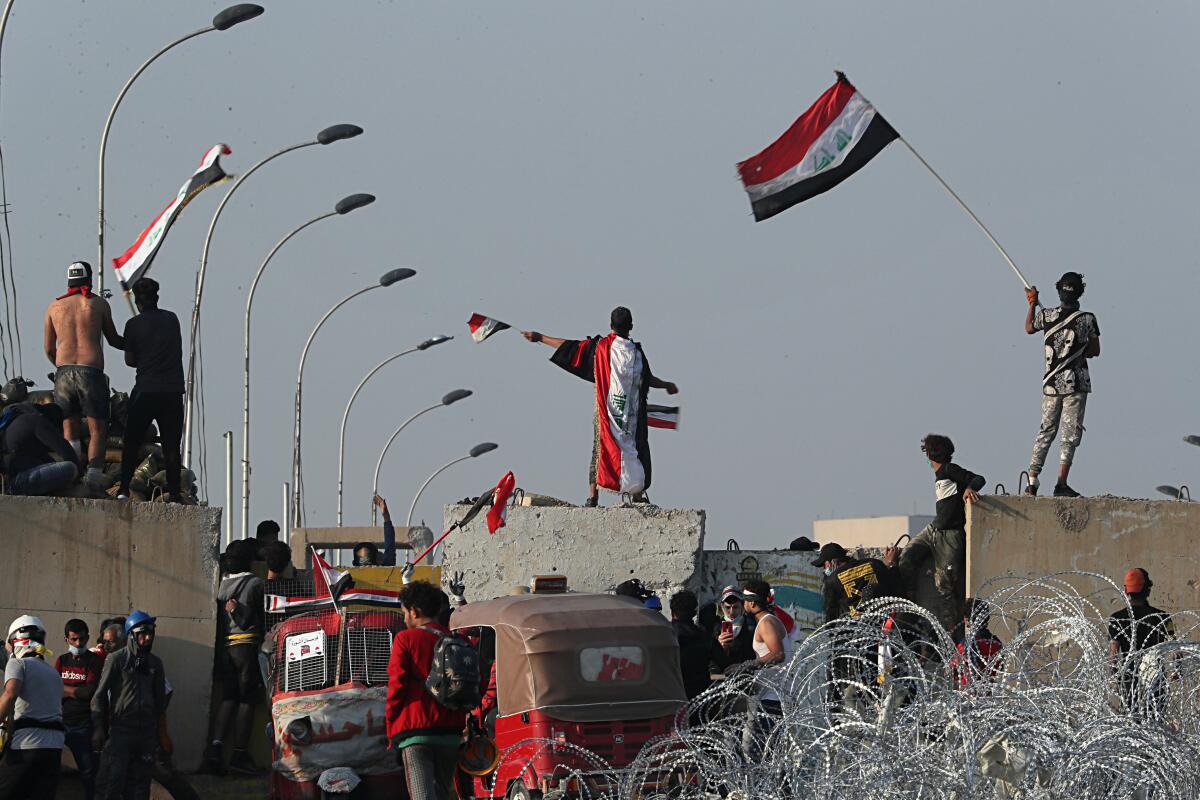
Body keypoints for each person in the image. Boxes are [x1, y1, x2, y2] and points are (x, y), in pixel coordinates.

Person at [522, 306, 678, 506]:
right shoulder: (637, 354)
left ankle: (593, 497)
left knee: (600, 449)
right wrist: (666, 385)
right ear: (631, 326)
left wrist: (540, 337)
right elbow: (648, 379)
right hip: (632, 417)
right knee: (636, 450)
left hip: (607, 413)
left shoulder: (600, 348)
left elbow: (571, 348)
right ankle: (637, 495)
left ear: (611, 326)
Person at [43, 261, 123, 491]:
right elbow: (114, 339)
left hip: (64, 373)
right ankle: (93, 478)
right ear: (88, 280)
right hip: (91, 372)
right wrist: (136, 344)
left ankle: (72, 472)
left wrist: (61, 367)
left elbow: (49, 349)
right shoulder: (98, 304)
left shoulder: (54, 307)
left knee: (70, 427)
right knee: (98, 428)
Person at [386, 580, 467, 800]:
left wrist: (391, 722)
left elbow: (397, 685)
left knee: (422, 795)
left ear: (414, 611)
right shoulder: (456, 640)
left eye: (404, 612)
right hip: (451, 732)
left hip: (415, 731)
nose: (404, 618)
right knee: (442, 793)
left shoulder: (405, 639)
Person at [1023, 272, 1100, 498]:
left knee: (1046, 431)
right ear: (1080, 292)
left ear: (1058, 291)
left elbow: (1029, 327)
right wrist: (1079, 349)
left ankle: (1032, 481)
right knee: (1069, 435)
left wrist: (1032, 304)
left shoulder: (1046, 315)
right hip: (1075, 385)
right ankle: (1061, 483)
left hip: (1051, 386)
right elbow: (1095, 350)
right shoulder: (1087, 319)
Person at [897, 434, 985, 632]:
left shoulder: (948, 469)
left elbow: (979, 479)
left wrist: (969, 488)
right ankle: (910, 600)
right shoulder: (940, 474)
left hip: (950, 535)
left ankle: (951, 629)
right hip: (934, 529)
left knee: (944, 584)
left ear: (930, 455)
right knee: (907, 557)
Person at [115, 278, 184, 502]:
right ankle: (174, 494)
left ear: (137, 300)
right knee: (171, 445)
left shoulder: (132, 325)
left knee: (131, 442)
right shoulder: (172, 319)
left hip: (145, 391)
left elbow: (130, 360)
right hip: (172, 392)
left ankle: (124, 489)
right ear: (157, 297)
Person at [203, 540, 265, 775]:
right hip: (246, 647)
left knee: (228, 698)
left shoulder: (221, 584)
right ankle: (240, 754)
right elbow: (262, 615)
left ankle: (216, 748)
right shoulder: (256, 583)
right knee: (247, 701)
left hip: (225, 649)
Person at [92, 611, 167, 800]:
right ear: (131, 635)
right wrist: (98, 728)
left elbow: (160, 701)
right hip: (121, 731)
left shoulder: (155, 663)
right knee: (112, 783)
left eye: (151, 633)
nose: (148, 637)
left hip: (146, 734)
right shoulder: (117, 659)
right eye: (143, 633)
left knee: (141, 786)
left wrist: (159, 735)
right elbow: (98, 696)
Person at [0, 615, 64, 799]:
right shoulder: (53, 673)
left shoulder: (18, 663)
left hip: (28, 745)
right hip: (54, 748)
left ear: (16, 641)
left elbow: (10, 693)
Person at [738, 580, 791, 762]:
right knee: (772, 753)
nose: (743, 604)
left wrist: (749, 665)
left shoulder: (766, 623)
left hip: (772, 698)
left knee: (758, 752)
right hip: (772, 695)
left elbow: (777, 654)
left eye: (744, 600)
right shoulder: (770, 620)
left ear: (752, 603)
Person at [1108, 568, 1174, 713]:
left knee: (1133, 722)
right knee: (1155, 722)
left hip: (1129, 679)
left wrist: (1114, 678)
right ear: (1148, 590)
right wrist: (1177, 669)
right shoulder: (1163, 617)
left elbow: (1113, 655)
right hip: (1155, 677)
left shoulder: (1116, 618)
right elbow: (1175, 648)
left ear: (1126, 591)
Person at [56, 619, 104, 800]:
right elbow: (54, 689)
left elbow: (90, 692)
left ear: (88, 638)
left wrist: (65, 690)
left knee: (88, 771)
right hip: (60, 723)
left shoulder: (93, 661)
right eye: (74, 639)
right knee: (51, 769)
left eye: (82, 639)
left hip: (83, 725)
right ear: (66, 639)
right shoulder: (61, 661)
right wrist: (76, 691)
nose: (78, 644)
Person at [1, 401, 79, 495]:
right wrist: (80, 475)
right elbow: (64, 449)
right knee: (70, 468)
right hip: (15, 483)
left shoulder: (16, 424)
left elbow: (46, 461)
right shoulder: (36, 420)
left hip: (12, 479)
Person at [813, 542, 900, 624]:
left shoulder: (832, 581)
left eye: (824, 566)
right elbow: (896, 589)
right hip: (883, 624)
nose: (824, 570)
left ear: (834, 562)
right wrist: (892, 564)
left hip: (853, 631)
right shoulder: (875, 563)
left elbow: (830, 617)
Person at [669, 590, 727, 700]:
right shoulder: (704, 636)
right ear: (695, 613)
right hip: (700, 696)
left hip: (673, 696)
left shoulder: (666, 634)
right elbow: (724, 663)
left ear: (672, 613)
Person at [949, 598, 1003, 688]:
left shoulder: (966, 644)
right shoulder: (997, 643)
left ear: (967, 619)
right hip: (990, 692)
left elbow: (953, 669)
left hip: (968, 692)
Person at [714, 586, 757, 667]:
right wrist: (719, 646)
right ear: (722, 607)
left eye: (735, 607)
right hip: (724, 676)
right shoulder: (716, 627)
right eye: (727, 607)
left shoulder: (751, 624)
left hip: (746, 674)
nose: (731, 612)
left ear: (742, 606)